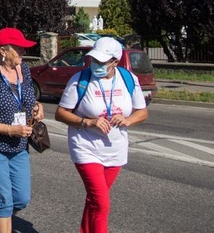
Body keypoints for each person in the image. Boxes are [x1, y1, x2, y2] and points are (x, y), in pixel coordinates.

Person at [55, 37, 148, 233]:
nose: (95, 65)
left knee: (95, 200)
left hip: (115, 151)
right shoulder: (80, 80)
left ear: (115, 61)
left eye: (101, 62)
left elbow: (142, 111)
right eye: (93, 60)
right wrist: (87, 121)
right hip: (86, 148)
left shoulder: (129, 79)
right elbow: (60, 113)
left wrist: (128, 120)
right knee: (102, 203)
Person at [0, 27, 44, 233]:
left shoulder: (25, 71)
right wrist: (9, 130)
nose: (23, 52)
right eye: (19, 48)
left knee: (21, 199)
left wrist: (37, 108)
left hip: (19, 146)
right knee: (4, 199)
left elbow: (30, 100)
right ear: (4, 51)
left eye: (23, 48)